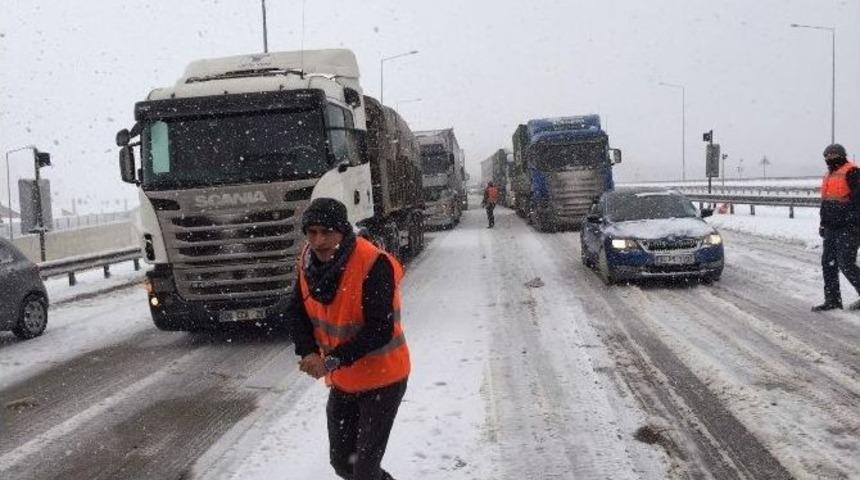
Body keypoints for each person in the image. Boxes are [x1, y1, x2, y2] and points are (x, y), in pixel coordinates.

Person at [287, 197, 410, 480]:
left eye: (327, 232)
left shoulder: (373, 263)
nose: (318, 241)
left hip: (384, 379)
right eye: (312, 232)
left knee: (364, 471)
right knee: (343, 464)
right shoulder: (307, 261)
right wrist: (307, 352)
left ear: (343, 231)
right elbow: (295, 310)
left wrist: (330, 361)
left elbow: (380, 329)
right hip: (345, 382)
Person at [813, 143, 860, 311]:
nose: (830, 159)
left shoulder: (852, 172)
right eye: (827, 156)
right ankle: (832, 299)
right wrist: (822, 224)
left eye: (833, 155)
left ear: (841, 155)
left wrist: (852, 222)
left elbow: (858, 201)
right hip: (831, 227)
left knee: (845, 263)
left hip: (848, 227)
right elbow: (826, 203)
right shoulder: (829, 175)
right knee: (828, 263)